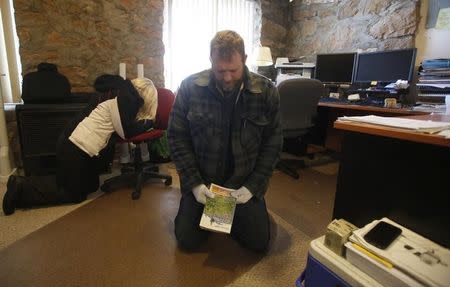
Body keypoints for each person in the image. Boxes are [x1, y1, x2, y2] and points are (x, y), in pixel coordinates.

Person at [167, 30, 283, 253]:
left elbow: (274, 142)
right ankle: (216, 213)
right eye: (220, 71)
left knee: (258, 243)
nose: (227, 77)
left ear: (245, 60)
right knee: (187, 240)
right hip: (204, 181)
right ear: (211, 60)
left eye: (234, 70)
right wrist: (194, 184)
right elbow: (176, 136)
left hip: (242, 183)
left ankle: (235, 213)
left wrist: (253, 187)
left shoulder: (266, 91)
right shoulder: (190, 88)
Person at [2, 76, 158, 215]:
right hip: (75, 147)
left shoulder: (121, 96)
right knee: (74, 195)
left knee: (90, 185)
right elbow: (126, 132)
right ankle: (21, 188)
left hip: (76, 146)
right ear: (146, 97)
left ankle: (31, 183)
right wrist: (150, 123)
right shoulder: (125, 102)